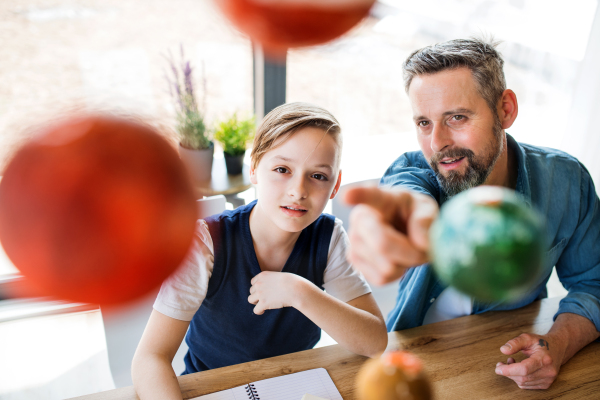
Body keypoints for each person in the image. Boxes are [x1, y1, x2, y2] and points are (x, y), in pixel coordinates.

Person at [344, 38, 600, 390]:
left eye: (457, 117)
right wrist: (414, 222)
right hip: (410, 367)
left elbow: (593, 283)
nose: (437, 143)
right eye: (423, 123)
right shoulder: (413, 170)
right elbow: (409, 194)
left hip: (506, 363)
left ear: (506, 110)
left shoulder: (567, 182)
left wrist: (555, 344)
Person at [132, 102, 387, 399]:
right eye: (282, 169)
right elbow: (149, 359)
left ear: (335, 185)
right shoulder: (206, 242)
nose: (298, 190)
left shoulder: (329, 237)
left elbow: (375, 341)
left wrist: (298, 291)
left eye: (317, 176)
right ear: (254, 168)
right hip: (214, 389)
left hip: (292, 385)